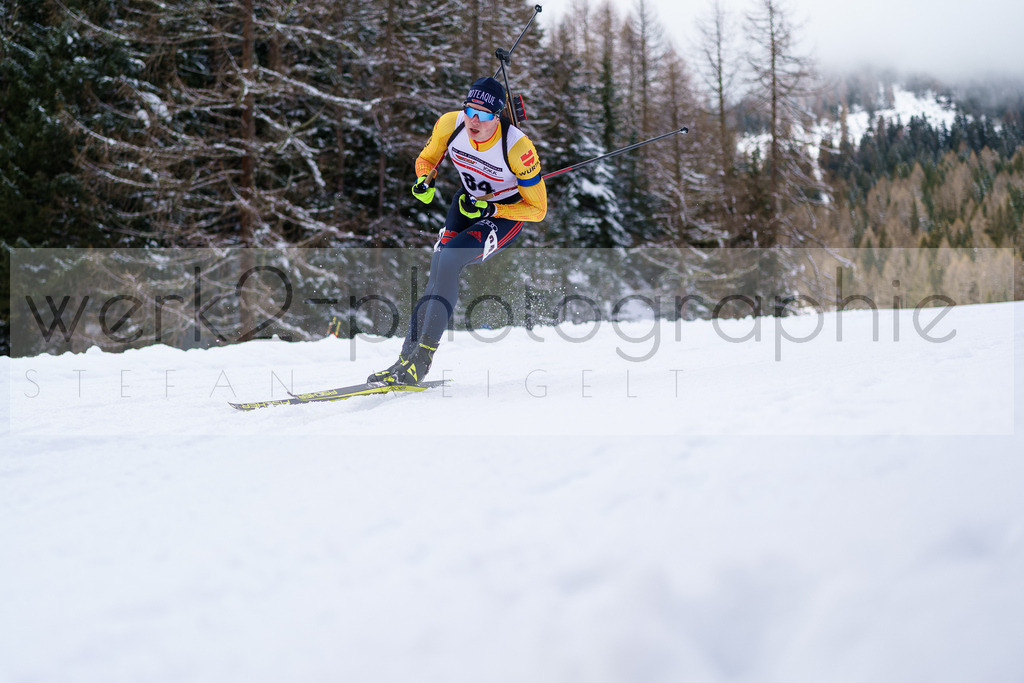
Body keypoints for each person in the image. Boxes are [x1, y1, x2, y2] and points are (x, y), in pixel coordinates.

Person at [368, 76, 547, 385]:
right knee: (438, 270)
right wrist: (424, 180)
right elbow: (427, 159)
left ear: (498, 116)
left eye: (484, 115)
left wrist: (492, 209)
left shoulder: (518, 148)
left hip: (504, 214)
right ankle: (405, 359)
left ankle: (422, 360)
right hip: (466, 203)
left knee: (450, 258)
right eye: (470, 110)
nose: (474, 120)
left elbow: (538, 209)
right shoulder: (450, 124)